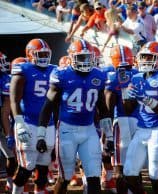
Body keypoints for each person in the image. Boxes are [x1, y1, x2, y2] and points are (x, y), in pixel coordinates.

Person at [36, 39, 107, 194]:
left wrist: (108, 133)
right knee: (65, 177)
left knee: (94, 177)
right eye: (82, 57)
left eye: (88, 57)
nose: (86, 61)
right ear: (72, 58)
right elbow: (48, 106)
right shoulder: (61, 75)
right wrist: (41, 134)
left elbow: (102, 106)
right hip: (67, 130)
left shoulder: (99, 75)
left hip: (89, 130)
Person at [122, 41, 158, 194]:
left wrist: (146, 99)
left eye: (149, 57)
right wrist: (126, 94)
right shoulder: (137, 78)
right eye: (143, 57)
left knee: (155, 176)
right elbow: (128, 110)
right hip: (141, 129)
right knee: (129, 173)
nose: (145, 60)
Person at [10, 38, 56, 194]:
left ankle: (40, 192)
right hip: (28, 122)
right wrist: (19, 123)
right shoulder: (23, 70)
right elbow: (14, 100)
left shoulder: (54, 70)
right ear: (30, 55)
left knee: (43, 166)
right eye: (39, 53)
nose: (43, 57)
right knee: (27, 166)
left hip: (48, 124)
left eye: (45, 54)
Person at [104, 44, 139, 194]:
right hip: (139, 123)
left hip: (122, 122)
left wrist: (107, 134)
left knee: (120, 166)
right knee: (134, 166)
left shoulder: (111, 77)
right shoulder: (139, 74)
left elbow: (108, 108)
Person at [0, 52, 17, 192]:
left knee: (12, 156)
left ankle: (10, 183)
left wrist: (8, 132)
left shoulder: (6, 79)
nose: (5, 64)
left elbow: (7, 109)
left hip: (3, 120)